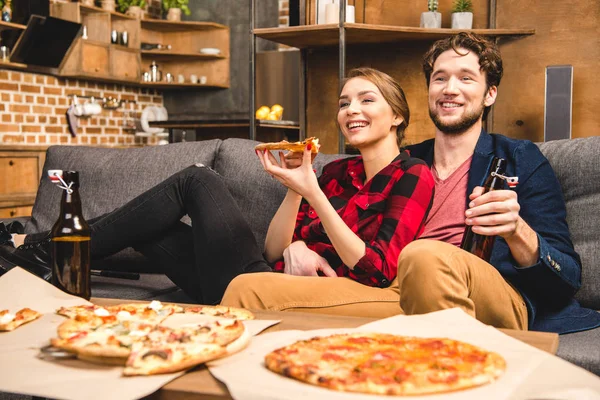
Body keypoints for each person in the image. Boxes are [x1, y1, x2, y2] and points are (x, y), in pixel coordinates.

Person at [222, 33, 600, 334]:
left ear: (489, 94)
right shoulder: (402, 163)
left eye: (466, 78)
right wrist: (300, 241)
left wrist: (518, 231)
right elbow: (347, 235)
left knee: (423, 254)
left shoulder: (520, 159)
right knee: (247, 287)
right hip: (396, 291)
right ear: (429, 92)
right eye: (440, 78)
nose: (450, 88)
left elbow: (566, 276)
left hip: (492, 293)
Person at [0, 67, 435, 310]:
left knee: (197, 178)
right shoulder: (336, 171)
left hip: (274, 290)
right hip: (255, 277)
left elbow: (378, 271)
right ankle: (46, 260)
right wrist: (294, 189)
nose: (351, 110)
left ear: (397, 116)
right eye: (344, 103)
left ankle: (36, 248)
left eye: (366, 100)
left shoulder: (412, 175)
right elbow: (272, 251)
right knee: (150, 229)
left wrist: (314, 195)